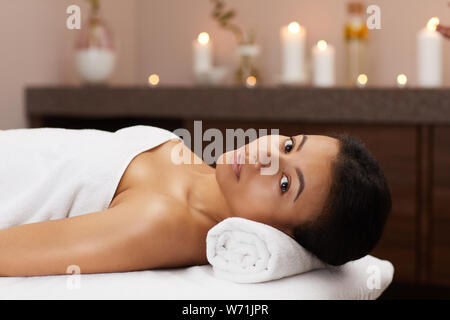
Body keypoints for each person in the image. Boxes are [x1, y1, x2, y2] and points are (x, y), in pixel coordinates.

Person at [0, 125, 391, 276]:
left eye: (285, 184)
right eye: (289, 144)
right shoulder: (192, 164)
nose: (265, 157)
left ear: (286, 238)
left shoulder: (164, 222)